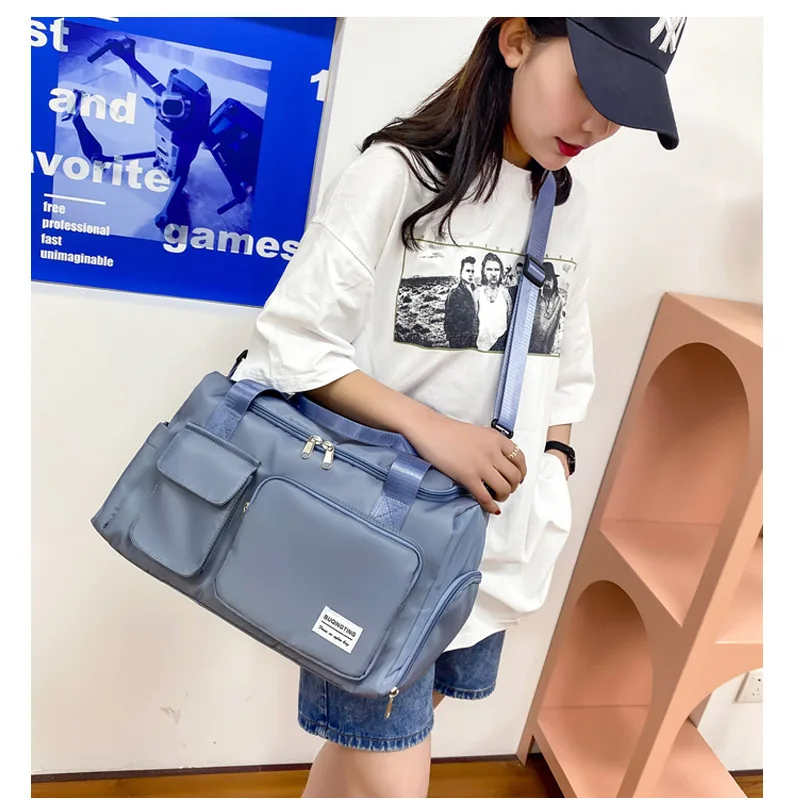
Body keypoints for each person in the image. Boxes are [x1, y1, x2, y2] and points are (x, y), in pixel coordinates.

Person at [232, 17, 685, 798]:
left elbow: (564, 364)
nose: (596, 126)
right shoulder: (397, 175)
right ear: (517, 41)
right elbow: (291, 345)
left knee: (362, 754)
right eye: (590, 87)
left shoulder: (566, 204)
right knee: (393, 770)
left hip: (491, 550)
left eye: (622, 109)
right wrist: (434, 432)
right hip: (381, 543)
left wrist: (554, 464)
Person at [475, 252, 512, 352]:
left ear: (500, 272)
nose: (493, 273)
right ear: (484, 271)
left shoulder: (505, 295)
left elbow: (509, 322)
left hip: (500, 350)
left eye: (496, 269)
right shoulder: (477, 294)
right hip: (481, 348)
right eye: (489, 269)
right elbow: (473, 324)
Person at [444, 255, 479, 348]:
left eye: (472, 271)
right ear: (461, 273)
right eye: (467, 271)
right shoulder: (455, 292)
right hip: (460, 342)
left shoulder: (475, 290)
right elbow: (450, 321)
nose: (470, 274)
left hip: (474, 340)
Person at [530, 261, 564, 355]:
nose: (545, 283)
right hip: (531, 349)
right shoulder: (534, 297)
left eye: (548, 279)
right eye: (543, 279)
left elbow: (556, 329)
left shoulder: (559, 300)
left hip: (547, 352)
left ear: (554, 280)